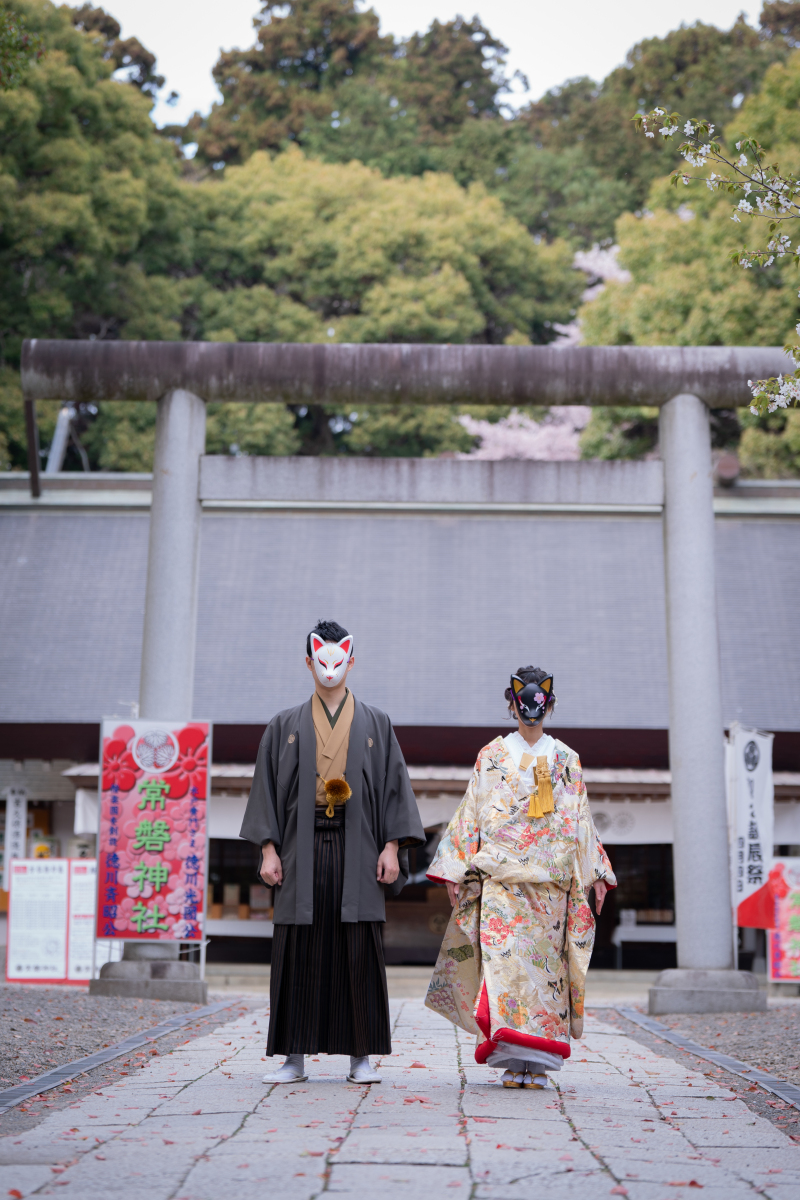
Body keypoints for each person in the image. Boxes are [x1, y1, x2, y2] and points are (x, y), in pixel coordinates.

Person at [240, 619, 424, 1085]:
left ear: (351, 662)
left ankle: (361, 1055)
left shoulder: (376, 723)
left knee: (358, 948)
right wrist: (268, 848)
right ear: (308, 662)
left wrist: (390, 847)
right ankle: (293, 1058)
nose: (329, 669)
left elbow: (393, 787)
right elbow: (265, 790)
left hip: (358, 846)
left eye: (338, 661)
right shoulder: (283, 724)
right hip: (299, 847)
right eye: (320, 661)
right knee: (298, 948)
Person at [425, 666, 616, 1089]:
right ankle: (513, 1060)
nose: (530, 711)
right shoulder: (491, 756)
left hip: (550, 887)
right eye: (522, 703)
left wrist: (598, 872)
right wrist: (456, 868)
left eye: (538, 704)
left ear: (549, 704)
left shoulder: (566, 759)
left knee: (546, 976)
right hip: (502, 886)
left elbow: (581, 820)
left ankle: (541, 1063)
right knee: (506, 973)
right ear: (511, 704)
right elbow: (471, 812)